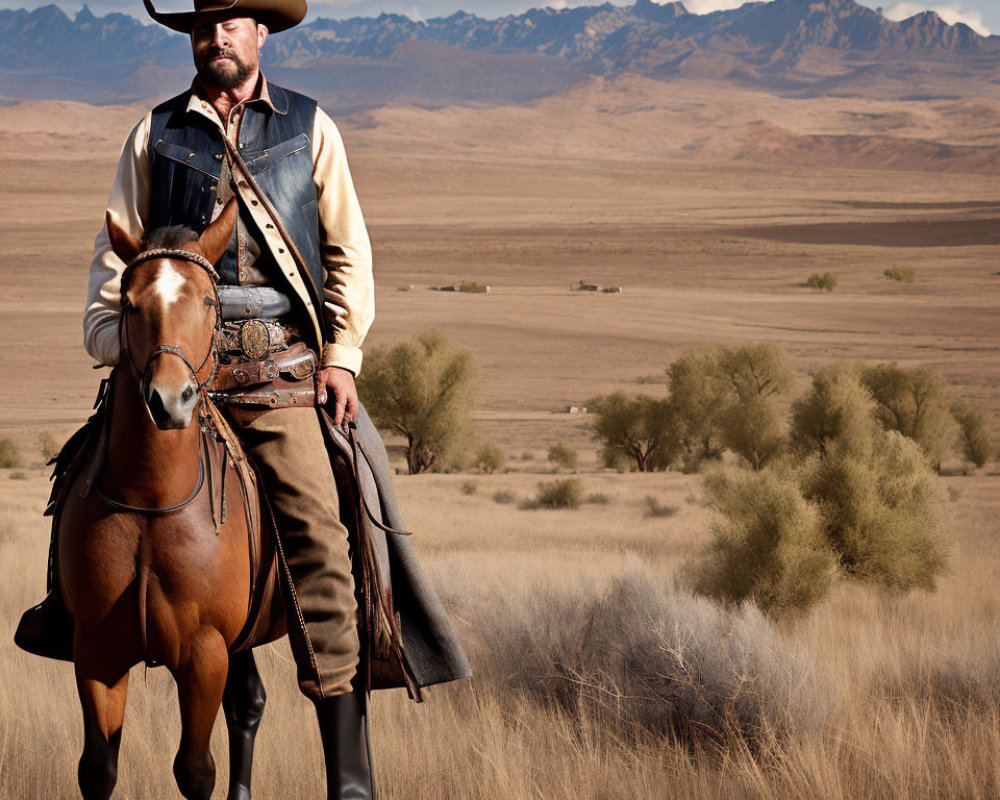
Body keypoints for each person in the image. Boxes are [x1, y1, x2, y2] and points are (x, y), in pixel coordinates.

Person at [17, 0, 388, 796]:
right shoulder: (155, 133)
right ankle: (67, 611)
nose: (215, 35)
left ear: (262, 33)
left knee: (321, 537)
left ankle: (351, 778)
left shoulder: (311, 127)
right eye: (202, 24)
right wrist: (127, 346)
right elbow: (111, 262)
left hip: (278, 372)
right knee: (79, 480)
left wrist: (342, 357)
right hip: (171, 364)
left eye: (232, 21)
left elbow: (346, 251)